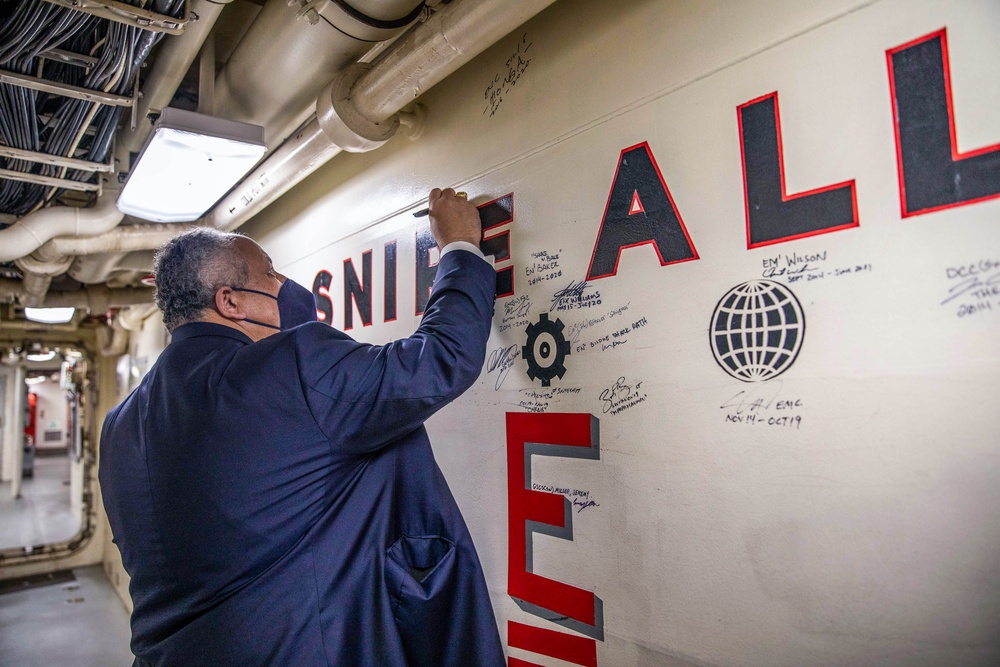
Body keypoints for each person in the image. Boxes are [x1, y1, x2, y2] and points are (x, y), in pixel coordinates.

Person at [99, 189, 505, 666]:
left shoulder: (119, 425)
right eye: (270, 273)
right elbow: (439, 360)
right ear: (230, 302)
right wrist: (458, 246)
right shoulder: (292, 364)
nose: (287, 283)